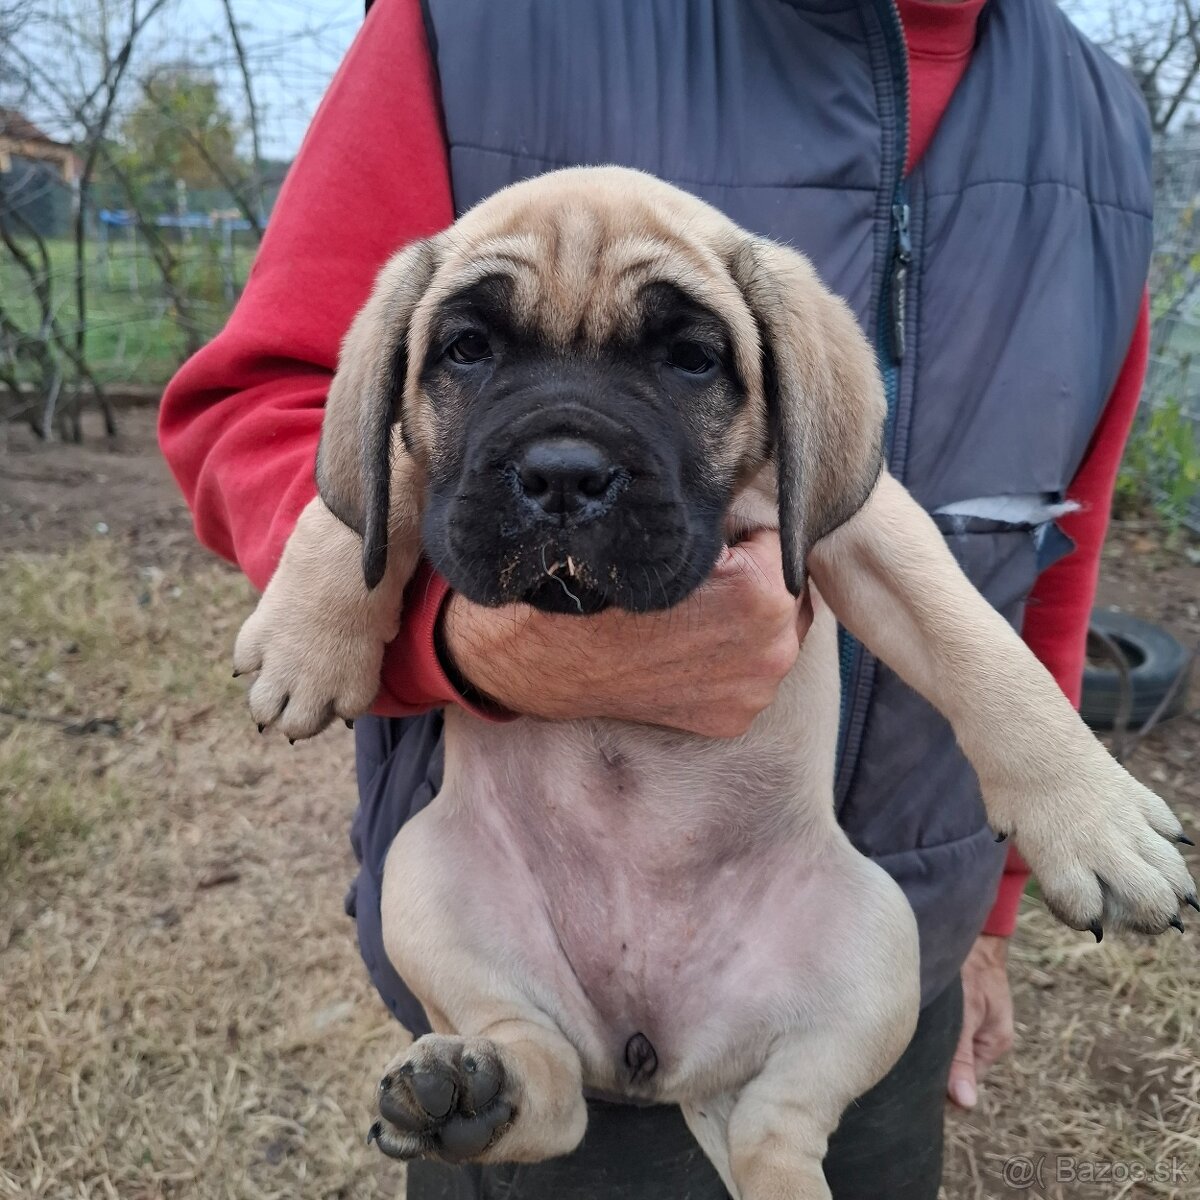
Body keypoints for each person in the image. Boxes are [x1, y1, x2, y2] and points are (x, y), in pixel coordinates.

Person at [158, 0, 1153, 1195]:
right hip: (523, 909)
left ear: (787, 382)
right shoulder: (467, 27)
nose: (567, 454)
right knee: (426, 875)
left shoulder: (1095, 123)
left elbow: (989, 549)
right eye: (476, 351)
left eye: (683, 357)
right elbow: (326, 437)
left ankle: (779, 1137)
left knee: (870, 936)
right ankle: (528, 1066)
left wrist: (1038, 800)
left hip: (807, 925)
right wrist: (375, 602)